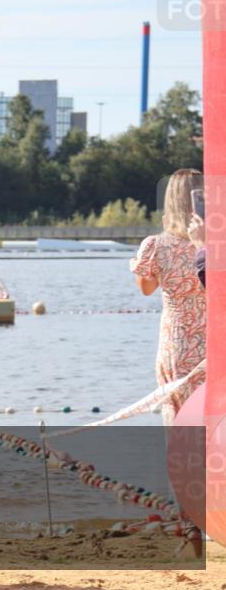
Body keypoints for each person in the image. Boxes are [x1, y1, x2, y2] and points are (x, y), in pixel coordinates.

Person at [130, 169, 206, 555]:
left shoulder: (155, 245)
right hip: (214, 345)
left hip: (175, 349)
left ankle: (191, 528)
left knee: (180, 439)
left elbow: (145, 288)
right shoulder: (215, 242)